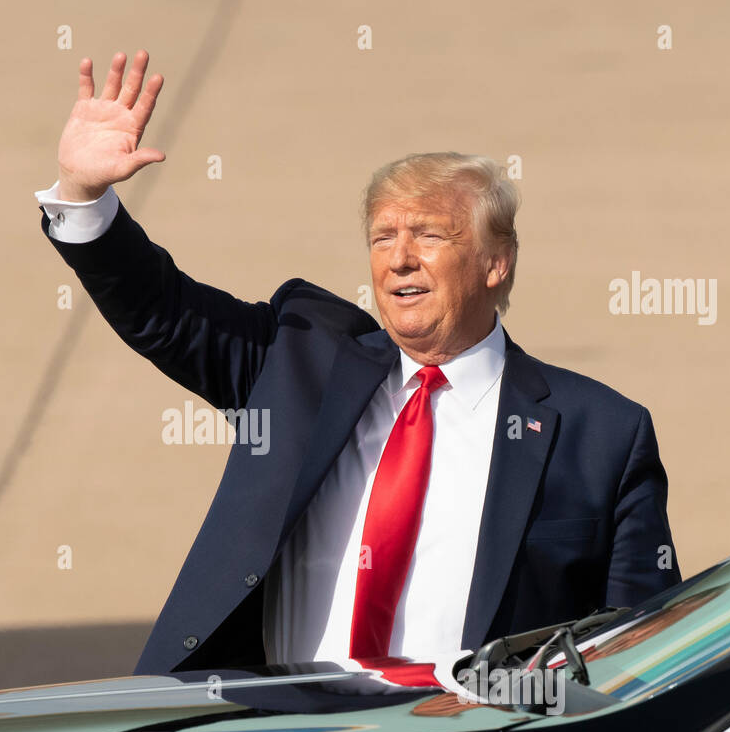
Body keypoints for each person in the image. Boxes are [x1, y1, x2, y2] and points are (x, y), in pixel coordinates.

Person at [36, 50, 681, 677]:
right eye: (382, 238)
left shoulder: (601, 434)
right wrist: (85, 198)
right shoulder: (298, 365)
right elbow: (165, 312)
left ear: (496, 261)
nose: (399, 259)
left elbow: (639, 649)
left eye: (429, 235)